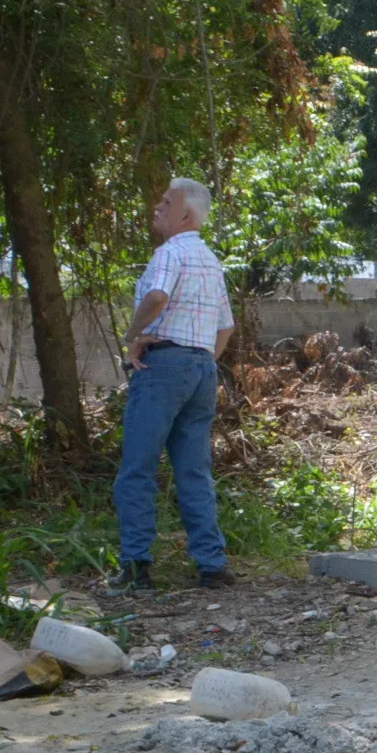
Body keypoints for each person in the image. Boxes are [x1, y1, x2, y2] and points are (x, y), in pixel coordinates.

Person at [115, 176, 236, 591]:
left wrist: (132, 337)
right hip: (203, 369)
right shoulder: (211, 261)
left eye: (165, 203)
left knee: (137, 470)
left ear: (186, 215)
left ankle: (136, 568)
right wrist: (200, 359)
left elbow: (156, 299)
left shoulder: (169, 253)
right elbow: (226, 326)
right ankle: (212, 566)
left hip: (162, 368)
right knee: (193, 471)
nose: (157, 208)